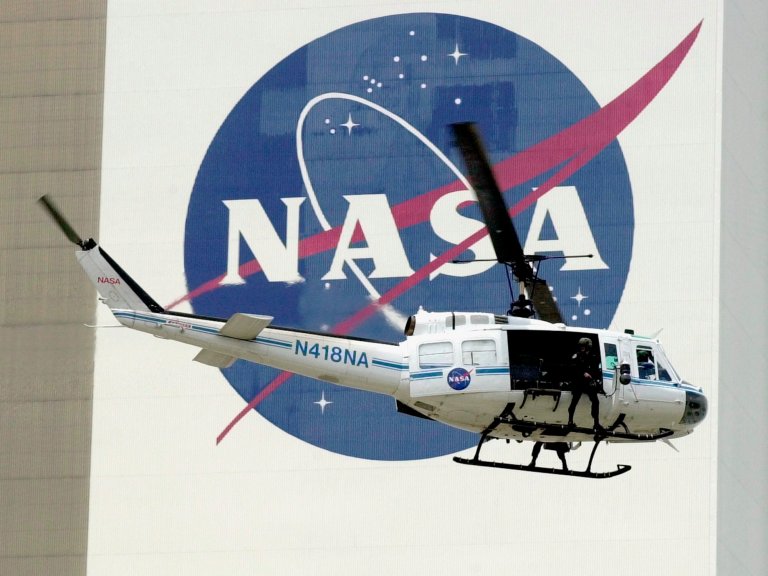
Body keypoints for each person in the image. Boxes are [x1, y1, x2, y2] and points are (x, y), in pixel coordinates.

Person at [567, 337, 603, 431]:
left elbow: (596, 370)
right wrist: (583, 373)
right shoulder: (577, 356)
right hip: (579, 382)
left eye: (584, 347)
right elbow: (573, 368)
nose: (582, 348)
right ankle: (570, 421)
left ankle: (596, 423)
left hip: (588, 383)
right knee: (574, 402)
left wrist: (595, 379)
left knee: (595, 401)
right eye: (581, 347)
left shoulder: (594, 357)